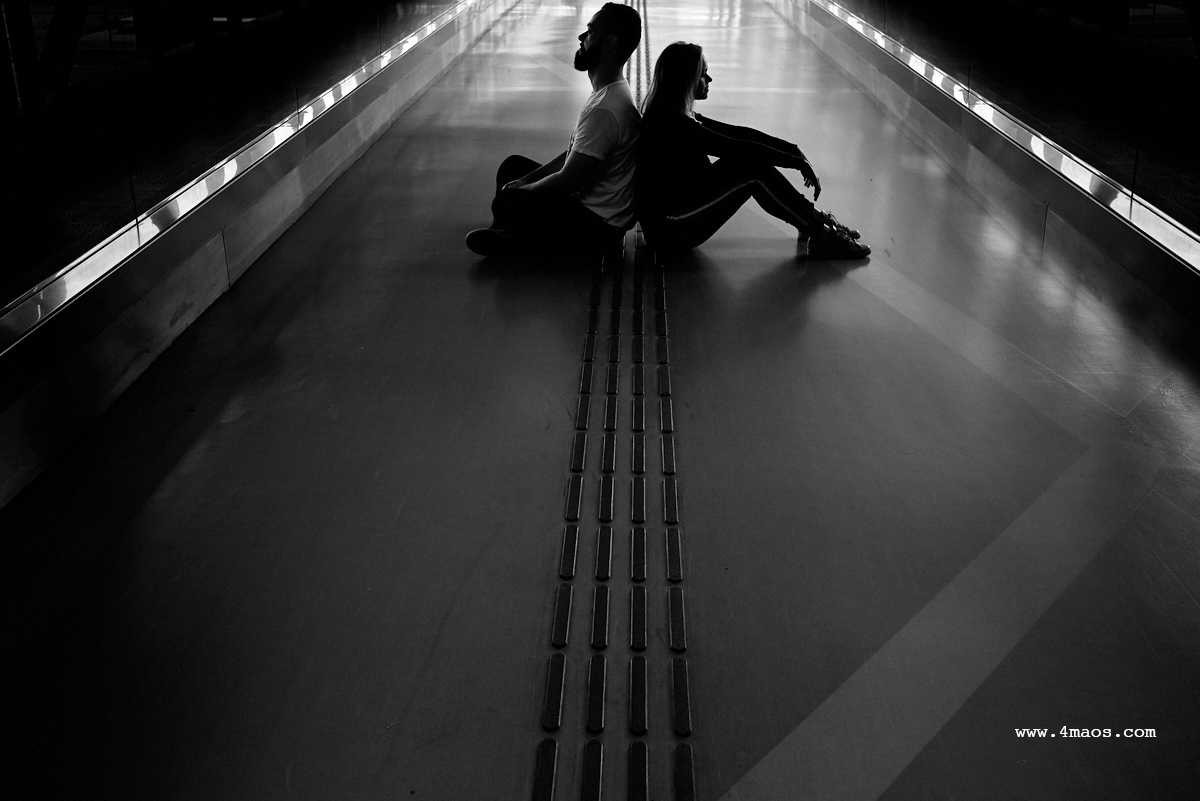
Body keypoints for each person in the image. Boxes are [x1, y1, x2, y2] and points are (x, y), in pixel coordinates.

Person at [636, 42, 870, 259]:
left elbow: (741, 134)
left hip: (679, 211)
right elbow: (736, 147)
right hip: (670, 228)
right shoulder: (672, 125)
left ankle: (814, 221)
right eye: (702, 74)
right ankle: (820, 233)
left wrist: (794, 152)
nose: (709, 79)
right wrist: (795, 162)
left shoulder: (677, 115)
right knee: (752, 170)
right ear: (686, 80)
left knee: (752, 163)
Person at [466, 3, 641, 257]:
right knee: (512, 168)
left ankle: (514, 240)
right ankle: (508, 231)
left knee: (509, 201)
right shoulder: (609, 92)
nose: (582, 38)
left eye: (590, 32)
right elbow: (574, 155)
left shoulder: (606, 108)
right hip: (594, 212)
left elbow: (568, 180)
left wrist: (525, 192)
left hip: (597, 229)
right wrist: (526, 180)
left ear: (609, 43)